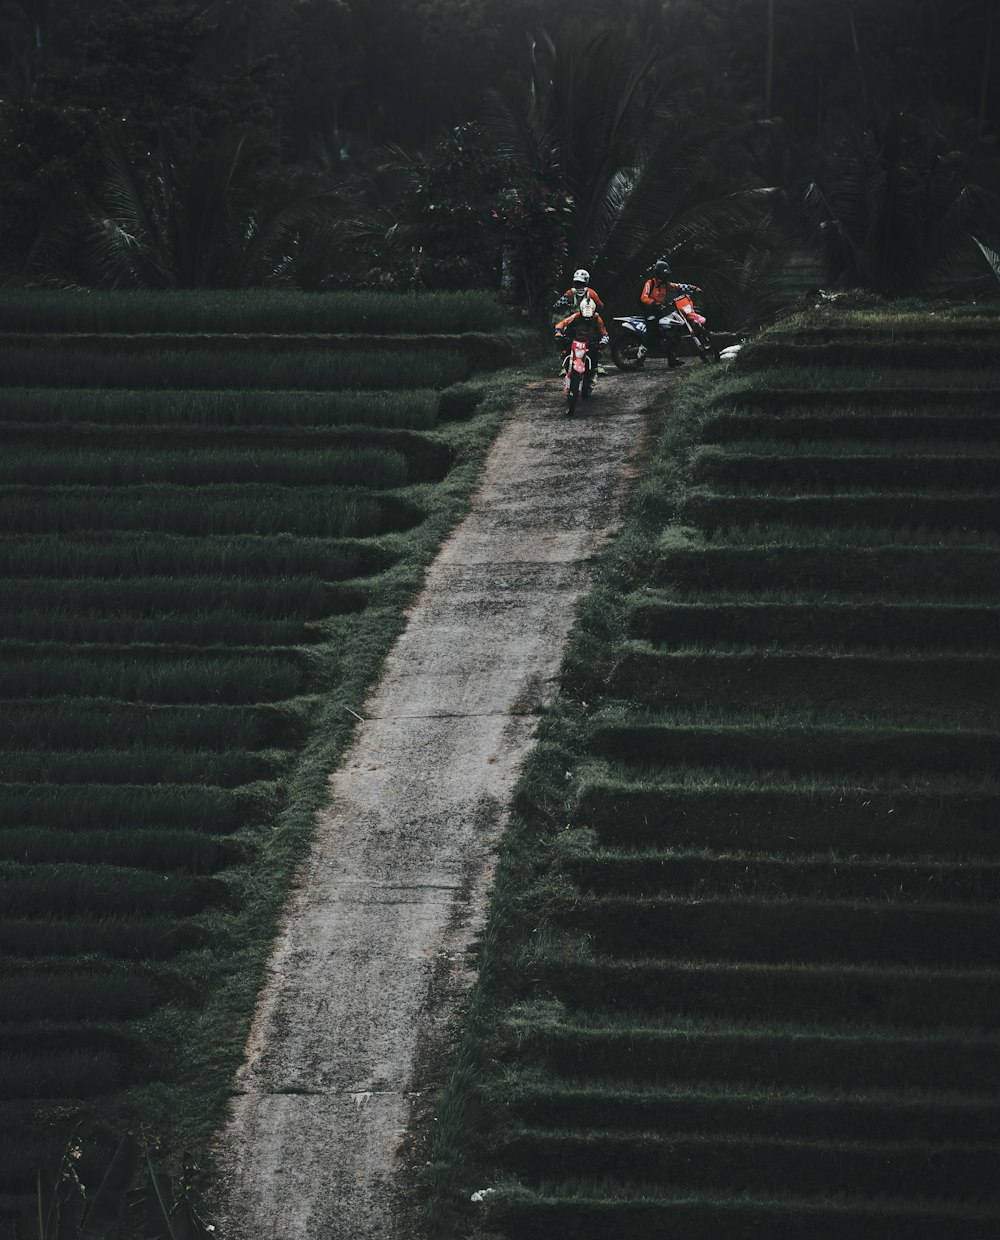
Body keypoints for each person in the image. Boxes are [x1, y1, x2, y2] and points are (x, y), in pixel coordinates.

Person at [639, 258, 701, 368]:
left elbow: (678, 286)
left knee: (669, 334)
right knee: (652, 335)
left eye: (666, 275)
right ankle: (639, 360)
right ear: (658, 274)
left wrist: (692, 287)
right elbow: (643, 297)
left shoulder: (665, 285)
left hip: (659, 311)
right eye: (663, 274)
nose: (664, 277)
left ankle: (672, 360)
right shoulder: (650, 283)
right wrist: (654, 303)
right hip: (649, 312)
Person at [554, 296, 609, 383]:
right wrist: (558, 332)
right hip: (574, 340)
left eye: (589, 319)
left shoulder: (597, 318)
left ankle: (593, 373)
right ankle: (565, 366)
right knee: (564, 345)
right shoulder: (576, 316)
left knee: (596, 353)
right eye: (584, 318)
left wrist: (603, 340)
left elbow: (604, 333)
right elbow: (562, 323)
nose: (587, 320)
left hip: (590, 343)